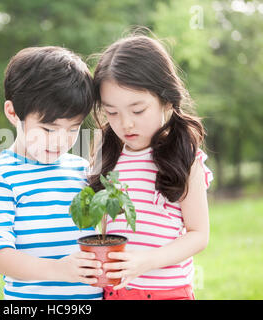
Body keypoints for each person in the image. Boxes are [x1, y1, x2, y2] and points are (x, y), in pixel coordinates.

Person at [89, 33, 213, 300]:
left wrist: (147, 261)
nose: (126, 124)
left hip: (167, 292)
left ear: (166, 100)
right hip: (115, 292)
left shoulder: (184, 156)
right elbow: (104, 226)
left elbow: (198, 234)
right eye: (112, 112)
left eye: (138, 110)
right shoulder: (105, 151)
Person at [0, 46, 103, 300]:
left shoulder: (82, 171)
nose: (60, 141)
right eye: (48, 129)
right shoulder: (1, 177)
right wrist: (59, 270)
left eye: (73, 129)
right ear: (13, 113)